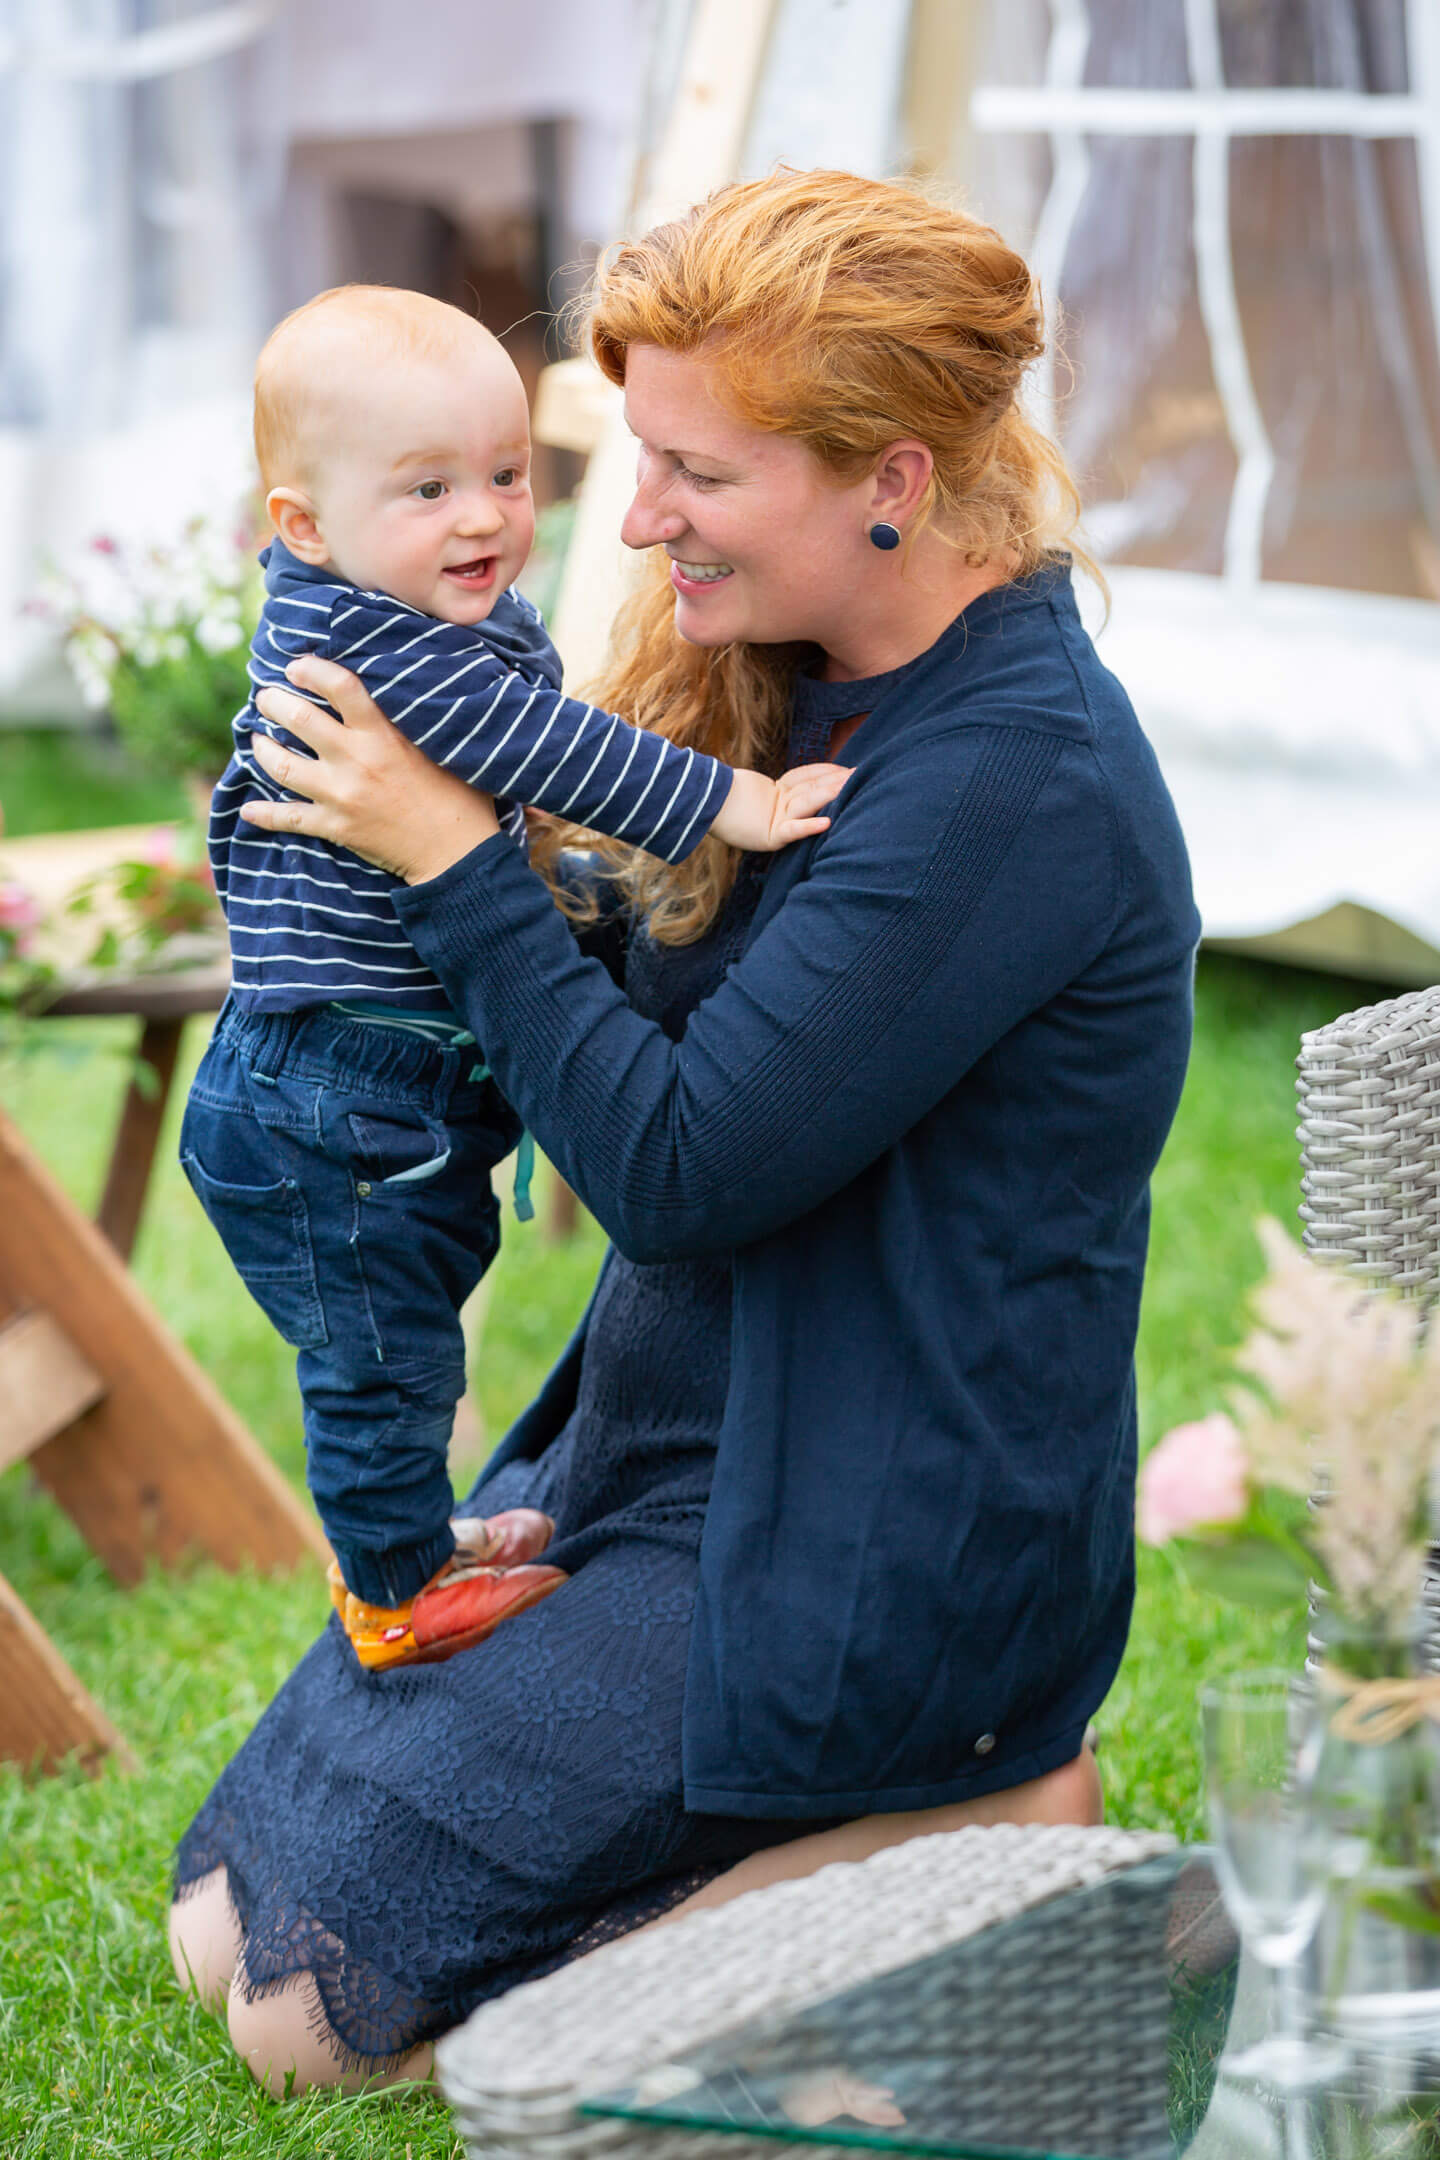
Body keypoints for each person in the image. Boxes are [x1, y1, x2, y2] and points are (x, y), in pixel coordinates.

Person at [169, 167, 1200, 2100]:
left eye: (693, 477)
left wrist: (457, 860)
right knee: (225, 1924)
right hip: (664, 1463)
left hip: (860, 1539)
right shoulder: (804, 691)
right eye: (635, 458)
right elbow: (617, 1041)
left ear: (885, 474)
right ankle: (831, 1849)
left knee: (314, 2033)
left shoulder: (1009, 781)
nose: (632, 521)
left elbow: (666, 1167)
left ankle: (975, 1831)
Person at [186, 284, 847, 1670]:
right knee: (384, 1354)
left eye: (506, 474)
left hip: (372, 1086)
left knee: (418, 1310)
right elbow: (556, 752)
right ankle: (393, 1596)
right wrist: (736, 804)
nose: (485, 516)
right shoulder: (382, 652)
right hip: (332, 1093)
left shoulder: (406, 602)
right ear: (303, 525)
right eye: (427, 488)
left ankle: (412, 1536)